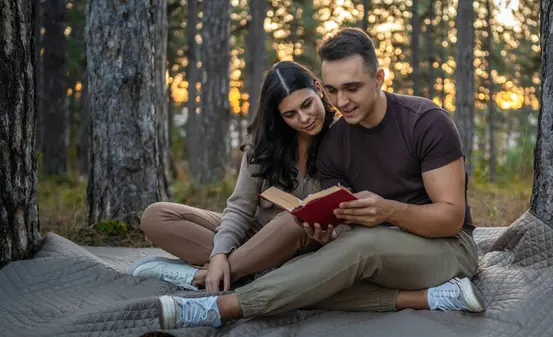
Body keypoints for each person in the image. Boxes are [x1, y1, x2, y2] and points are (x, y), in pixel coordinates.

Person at [155, 28, 485, 330]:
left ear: (380, 78)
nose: (342, 102)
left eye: (352, 88)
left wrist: (388, 212)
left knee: (347, 254)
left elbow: (451, 219)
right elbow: (339, 226)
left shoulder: (426, 122)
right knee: (312, 274)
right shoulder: (335, 142)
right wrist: (327, 234)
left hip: (445, 249)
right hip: (376, 249)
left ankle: (220, 307)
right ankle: (434, 297)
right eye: (333, 90)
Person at [128, 61, 336, 292]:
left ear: (318, 89)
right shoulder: (264, 144)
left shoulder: (344, 138)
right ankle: (244, 272)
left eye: (307, 105)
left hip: (299, 242)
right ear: (278, 116)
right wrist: (219, 253)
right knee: (156, 216)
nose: (304, 118)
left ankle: (198, 278)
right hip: (253, 235)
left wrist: (330, 236)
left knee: (292, 220)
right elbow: (240, 208)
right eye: (291, 114)